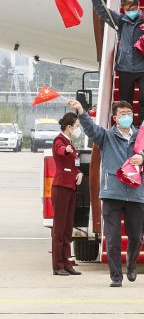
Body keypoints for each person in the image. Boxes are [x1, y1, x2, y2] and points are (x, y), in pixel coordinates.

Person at [69, 99, 144, 287]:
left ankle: (131, 264)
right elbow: (91, 129)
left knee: (136, 237)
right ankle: (116, 276)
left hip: (136, 194)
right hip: (112, 194)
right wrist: (81, 112)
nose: (126, 117)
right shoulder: (106, 136)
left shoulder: (142, 136)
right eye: (122, 114)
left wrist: (143, 159)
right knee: (113, 238)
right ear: (115, 118)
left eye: (129, 113)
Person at [91, 0, 144, 124]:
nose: (130, 11)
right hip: (125, 66)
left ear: (138, 7)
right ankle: (127, 125)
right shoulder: (120, 20)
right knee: (126, 100)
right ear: (123, 9)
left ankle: (142, 123)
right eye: (127, 9)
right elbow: (103, 13)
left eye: (133, 8)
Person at [51, 113, 83, 276]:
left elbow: (72, 163)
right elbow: (60, 151)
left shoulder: (70, 142)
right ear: (69, 127)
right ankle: (58, 265)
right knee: (60, 227)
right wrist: (66, 149)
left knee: (68, 227)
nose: (78, 129)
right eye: (77, 126)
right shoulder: (60, 141)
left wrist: (79, 172)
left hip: (71, 187)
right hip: (61, 187)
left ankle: (67, 262)